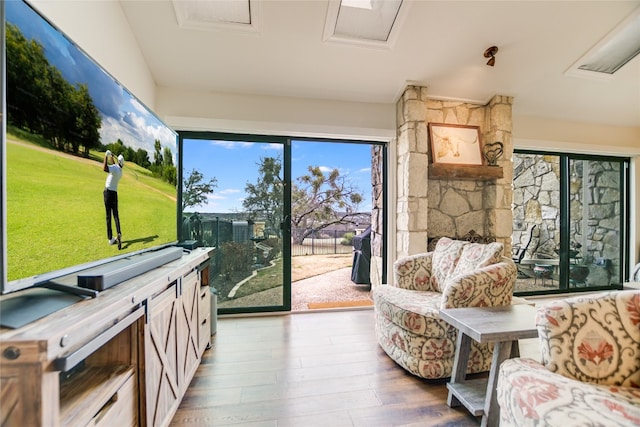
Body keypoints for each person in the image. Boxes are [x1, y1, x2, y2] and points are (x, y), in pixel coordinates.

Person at [103, 150, 124, 249]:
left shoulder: (115, 168)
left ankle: (111, 239)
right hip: (115, 194)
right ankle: (119, 233)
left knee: (108, 217)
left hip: (108, 193)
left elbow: (105, 168)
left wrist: (105, 156)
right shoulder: (120, 171)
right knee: (116, 215)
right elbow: (114, 165)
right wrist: (111, 156)